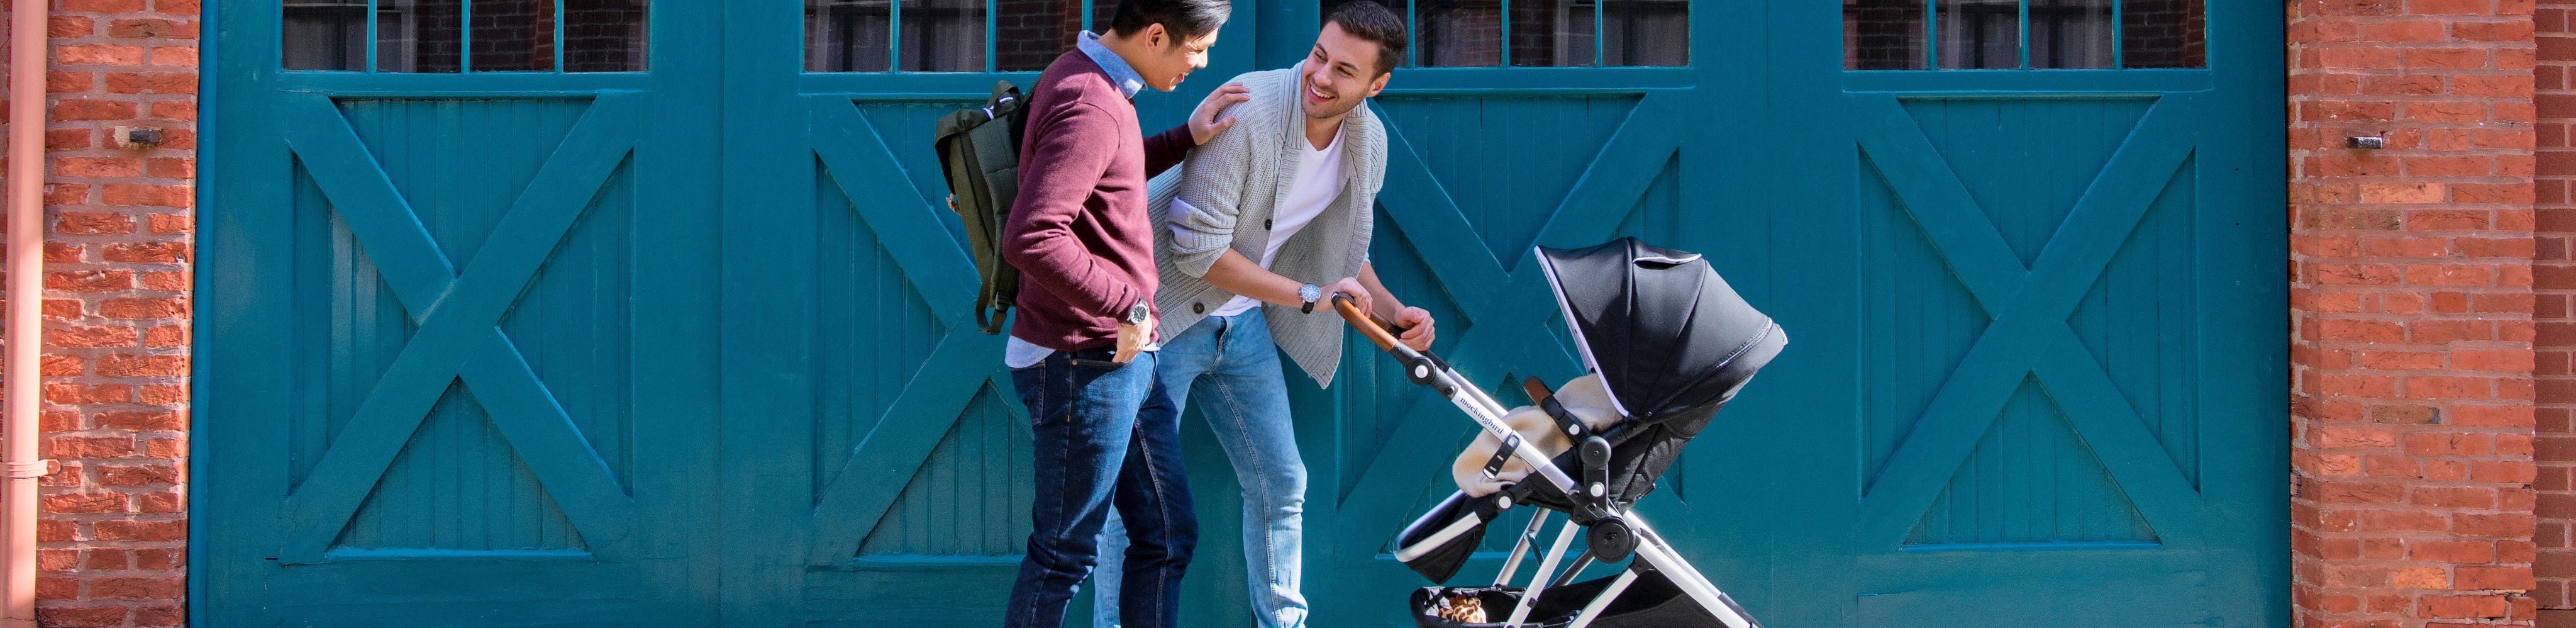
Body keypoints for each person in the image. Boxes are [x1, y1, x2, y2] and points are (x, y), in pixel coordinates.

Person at [1092, 4, 1428, 627]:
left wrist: (1392, 310)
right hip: (1162, 320)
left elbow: (1346, 248)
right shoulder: (1250, 113)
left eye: (1344, 70)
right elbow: (1197, 253)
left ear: (1376, 85)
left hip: (1242, 324)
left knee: (1282, 481)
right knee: (1136, 500)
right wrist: (1309, 294)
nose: (1320, 76)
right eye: (1319, 56)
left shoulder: (1368, 140)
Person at [994, 0, 1249, 625]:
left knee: (1166, 535)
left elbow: (1109, 179)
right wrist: (1127, 305)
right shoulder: (1090, 100)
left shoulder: (1090, 80)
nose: (1202, 63)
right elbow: (1032, 236)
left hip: (1121, 359)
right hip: (1081, 361)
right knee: (1064, 553)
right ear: (1156, 35)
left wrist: (1184, 139)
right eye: (1198, 48)